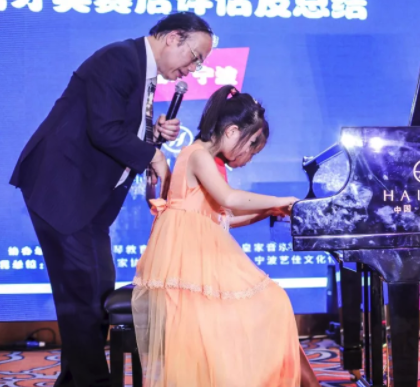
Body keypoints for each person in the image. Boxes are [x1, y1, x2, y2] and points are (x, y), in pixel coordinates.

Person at [9, 12, 214, 387]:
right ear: (173, 38)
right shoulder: (120, 58)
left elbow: (117, 127)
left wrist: (152, 134)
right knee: (83, 300)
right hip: (63, 191)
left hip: (86, 202)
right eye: (195, 57)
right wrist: (153, 155)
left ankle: (73, 381)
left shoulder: (141, 69)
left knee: (94, 292)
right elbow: (103, 130)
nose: (193, 69)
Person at [132, 86, 320, 387]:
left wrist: (268, 211)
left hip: (197, 255)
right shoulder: (197, 154)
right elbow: (229, 199)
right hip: (187, 261)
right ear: (232, 131)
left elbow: (223, 219)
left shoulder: (206, 158)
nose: (248, 157)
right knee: (268, 303)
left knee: (273, 301)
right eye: (251, 147)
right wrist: (280, 200)